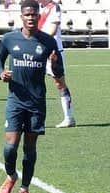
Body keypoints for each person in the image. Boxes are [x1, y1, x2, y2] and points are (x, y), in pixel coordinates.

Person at [0, 0, 64, 193]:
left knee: (30, 149)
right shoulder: (9, 39)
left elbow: (59, 74)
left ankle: (24, 188)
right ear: (21, 16)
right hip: (15, 100)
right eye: (27, 14)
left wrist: (54, 65)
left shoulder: (48, 42)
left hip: (37, 103)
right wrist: (1, 73)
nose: (31, 17)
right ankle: (11, 176)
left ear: (38, 16)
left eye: (34, 14)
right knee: (10, 147)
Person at [38, 0, 75, 128]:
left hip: (53, 51)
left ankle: (69, 118)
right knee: (34, 83)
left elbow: (52, 30)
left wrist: (34, 38)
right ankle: (34, 119)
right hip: (37, 51)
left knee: (60, 83)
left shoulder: (54, 7)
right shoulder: (38, 8)